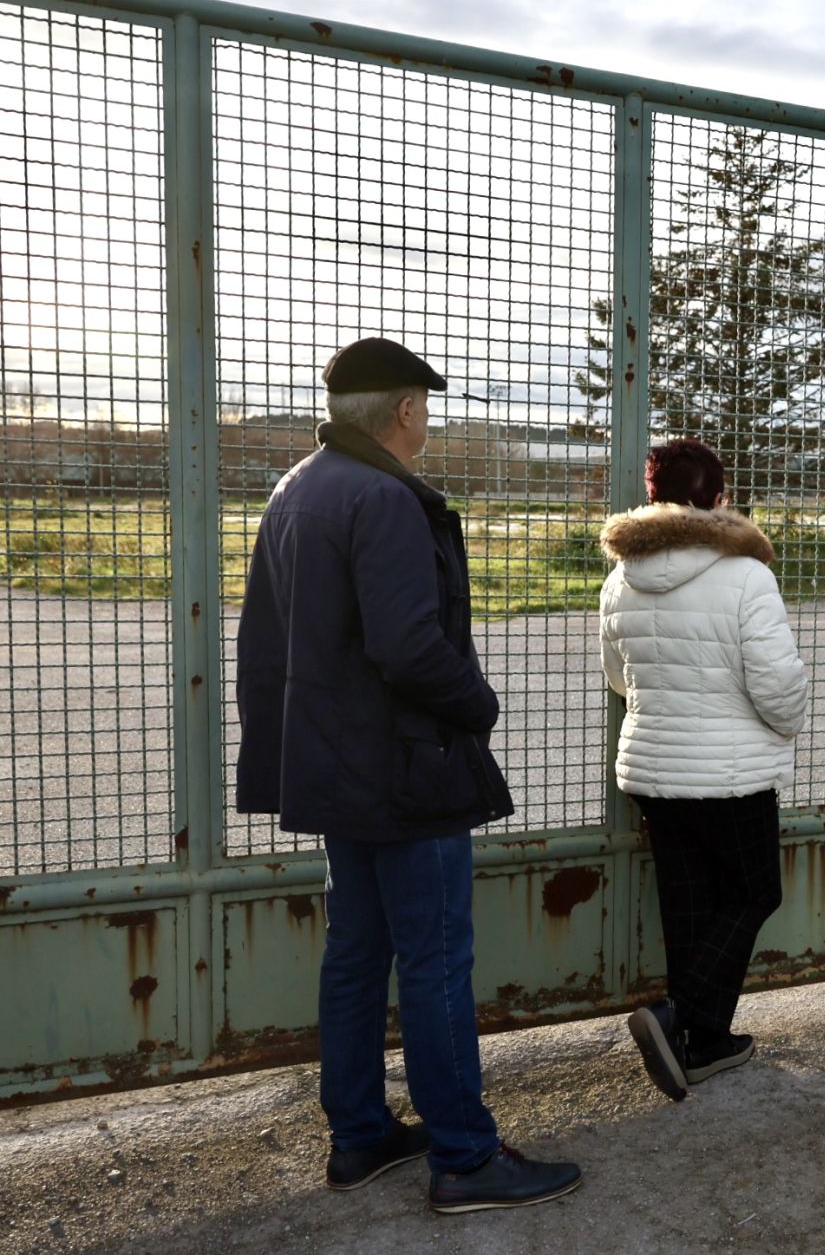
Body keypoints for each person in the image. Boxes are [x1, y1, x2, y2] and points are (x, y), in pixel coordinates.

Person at [235, 337, 582, 1212]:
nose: (429, 418)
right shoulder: (384, 496)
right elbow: (407, 646)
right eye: (425, 405)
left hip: (335, 763)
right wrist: (479, 704)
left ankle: (358, 1136)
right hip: (404, 764)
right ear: (403, 411)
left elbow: (272, 644)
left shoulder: (296, 488)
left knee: (356, 952)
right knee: (433, 959)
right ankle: (465, 1156)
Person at [598, 439, 809, 1101]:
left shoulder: (620, 576)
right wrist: (788, 718)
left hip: (654, 771)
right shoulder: (746, 575)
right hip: (730, 775)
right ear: (719, 501)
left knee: (688, 907)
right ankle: (678, 1016)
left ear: (653, 498)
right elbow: (777, 686)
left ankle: (706, 1043)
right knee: (753, 894)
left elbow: (617, 678)